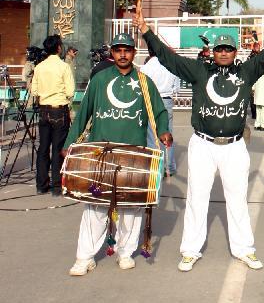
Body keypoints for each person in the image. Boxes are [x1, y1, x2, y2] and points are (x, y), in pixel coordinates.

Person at [134, 5, 264, 272]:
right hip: (202, 144)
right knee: (197, 197)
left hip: (234, 146)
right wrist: (145, 31)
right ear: (214, 52)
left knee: (237, 198)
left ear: (234, 53)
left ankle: (244, 249)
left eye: (228, 49)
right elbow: (167, 58)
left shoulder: (246, 71)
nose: (223, 53)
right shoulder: (200, 71)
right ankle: (190, 250)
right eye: (219, 49)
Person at [62, 33, 171, 275]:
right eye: (118, 49)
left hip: (133, 155)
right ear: (112, 52)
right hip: (101, 153)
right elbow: (83, 115)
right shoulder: (100, 80)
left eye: (128, 50)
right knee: (95, 207)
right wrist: (69, 142)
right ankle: (85, 257)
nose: (123, 54)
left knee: (130, 208)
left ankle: (125, 252)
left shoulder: (144, 81)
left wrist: (164, 131)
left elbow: (160, 111)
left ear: (134, 53)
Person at [31, 35, 75, 195]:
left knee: (43, 148)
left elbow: (34, 90)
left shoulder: (39, 67)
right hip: (59, 109)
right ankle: (57, 186)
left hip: (43, 110)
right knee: (58, 148)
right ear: (58, 48)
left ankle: (41, 185)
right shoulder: (64, 67)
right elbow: (70, 91)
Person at [139, 43, 180, 176]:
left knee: (152, 136)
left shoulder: (145, 68)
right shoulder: (171, 66)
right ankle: (169, 167)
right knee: (168, 135)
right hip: (166, 100)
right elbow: (176, 88)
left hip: (150, 100)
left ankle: (157, 168)